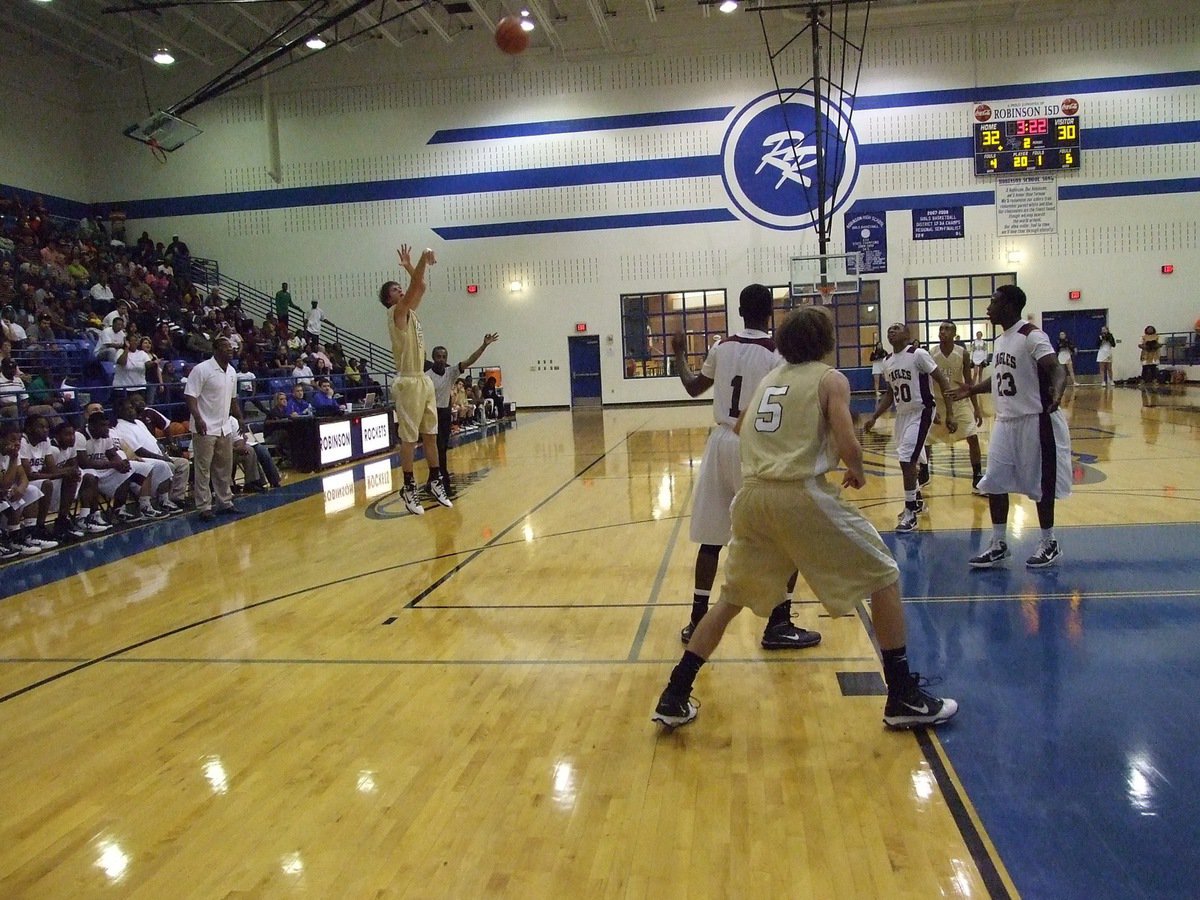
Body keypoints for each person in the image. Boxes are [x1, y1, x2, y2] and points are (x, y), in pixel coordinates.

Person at [652, 306, 958, 730]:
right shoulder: (830, 379)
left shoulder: (768, 382)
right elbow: (848, 441)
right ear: (826, 342)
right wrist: (857, 468)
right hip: (799, 494)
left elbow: (741, 428)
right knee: (885, 575)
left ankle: (674, 693)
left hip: (755, 497)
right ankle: (903, 694)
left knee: (730, 599)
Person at [669, 283, 818, 649]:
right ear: (771, 313)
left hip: (719, 442)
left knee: (711, 540)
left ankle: (696, 622)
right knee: (787, 537)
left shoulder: (721, 347)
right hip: (755, 444)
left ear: (739, 310)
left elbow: (692, 387)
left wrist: (678, 355)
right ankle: (778, 624)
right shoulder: (776, 354)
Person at [950, 284, 1071, 568]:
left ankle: (1049, 542)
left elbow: (1056, 368)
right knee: (994, 481)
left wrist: (1058, 391)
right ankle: (999, 543)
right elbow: (1000, 377)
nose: (988, 308)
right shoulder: (1002, 339)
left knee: (1042, 483)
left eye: (993, 302)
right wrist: (973, 389)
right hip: (1005, 421)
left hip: (1035, 419)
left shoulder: (1032, 335)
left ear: (1009, 306)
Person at [861, 323, 954, 533]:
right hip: (902, 415)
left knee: (906, 459)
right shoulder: (887, 361)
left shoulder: (918, 354)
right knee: (912, 458)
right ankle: (918, 499)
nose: (891, 330)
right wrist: (875, 416)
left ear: (907, 334)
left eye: (896, 328)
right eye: (889, 329)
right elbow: (889, 393)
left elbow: (941, 380)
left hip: (921, 411)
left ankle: (911, 512)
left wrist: (950, 412)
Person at [379, 244, 452, 514]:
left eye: (401, 287)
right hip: (408, 381)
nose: (401, 290)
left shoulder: (411, 312)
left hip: (422, 380)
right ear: (390, 300)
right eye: (395, 290)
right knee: (409, 439)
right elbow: (414, 290)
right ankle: (408, 486)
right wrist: (421, 258)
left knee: (431, 435)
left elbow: (419, 287)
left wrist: (413, 266)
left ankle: (435, 479)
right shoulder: (396, 313)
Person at [428, 334, 499, 491]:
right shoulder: (427, 377)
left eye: (444, 356)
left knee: (443, 446)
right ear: (433, 358)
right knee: (434, 447)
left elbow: (470, 360)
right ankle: (437, 476)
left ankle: (439, 475)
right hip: (431, 414)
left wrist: (484, 345)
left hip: (445, 413)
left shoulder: (451, 372)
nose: (441, 359)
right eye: (438, 356)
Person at [185, 337, 242, 522]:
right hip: (205, 427)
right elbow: (190, 396)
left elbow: (233, 399)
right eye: (226, 347)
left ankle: (225, 501)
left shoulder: (232, 371)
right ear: (216, 349)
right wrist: (198, 418)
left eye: (231, 347)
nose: (230, 350)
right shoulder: (202, 369)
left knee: (223, 467)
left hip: (224, 426)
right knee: (203, 468)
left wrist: (239, 416)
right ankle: (204, 506)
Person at [927, 321, 985, 494]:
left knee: (973, 437)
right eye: (941, 329)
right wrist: (931, 406)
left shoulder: (963, 354)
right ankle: (923, 473)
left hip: (959, 402)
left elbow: (969, 383)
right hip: (938, 402)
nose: (942, 332)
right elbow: (927, 382)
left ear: (954, 334)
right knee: (926, 441)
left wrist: (977, 407)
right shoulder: (932, 354)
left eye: (946, 329)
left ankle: (977, 477)